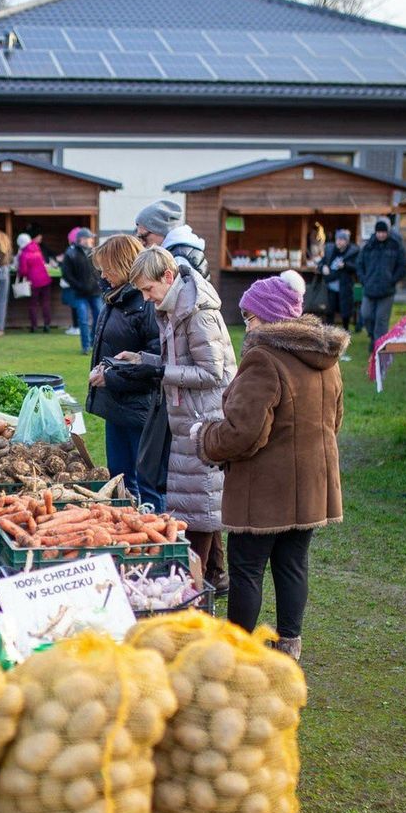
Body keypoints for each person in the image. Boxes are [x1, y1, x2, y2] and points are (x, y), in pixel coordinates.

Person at [190, 274, 345, 661]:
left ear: (271, 316)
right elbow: (335, 421)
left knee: (247, 569)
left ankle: (238, 651)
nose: (247, 324)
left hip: (265, 488)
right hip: (313, 482)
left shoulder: (263, 357)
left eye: (251, 315)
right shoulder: (325, 357)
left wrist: (204, 437)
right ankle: (289, 644)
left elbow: (244, 433)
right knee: (292, 564)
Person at [114, 246, 236, 578]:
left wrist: (158, 373)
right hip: (188, 421)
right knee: (198, 504)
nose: (146, 297)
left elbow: (213, 373)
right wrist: (143, 360)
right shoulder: (173, 308)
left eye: (148, 289)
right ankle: (212, 577)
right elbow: (180, 364)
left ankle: (195, 584)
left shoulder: (198, 313)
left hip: (204, 422)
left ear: (168, 278)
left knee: (199, 508)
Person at [84, 233, 165, 510]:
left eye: (107, 267)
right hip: (116, 406)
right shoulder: (116, 297)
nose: (103, 274)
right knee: (119, 480)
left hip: (139, 409)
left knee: (146, 484)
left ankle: (156, 541)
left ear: (123, 265)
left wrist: (111, 377)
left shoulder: (145, 305)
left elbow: (156, 362)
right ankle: (124, 537)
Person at [359, 219, 406, 353]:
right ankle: (372, 337)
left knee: (381, 318)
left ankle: (378, 344)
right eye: (379, 232)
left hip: (387, 290)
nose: (381, 235)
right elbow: (360, 264)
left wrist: (392, 280)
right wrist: (364, 280)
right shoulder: (368, 246)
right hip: (369, 288)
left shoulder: (395, 246)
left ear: (387, 232)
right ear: (376, 232)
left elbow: (402, 267)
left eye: (383, 232)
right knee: (366, 314)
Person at [135, 197, 211, 279]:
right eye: (139, 237)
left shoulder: (179, 258)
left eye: (143, 236)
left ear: (160, 230)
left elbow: (185, 291)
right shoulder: (177, 251)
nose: (142, 242)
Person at [61, 226, 103, 354]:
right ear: (82, 239)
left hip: (95, 292)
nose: (91, 240)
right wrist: (78, 286)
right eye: (90, 238)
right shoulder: (70, 253)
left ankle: (92, 343)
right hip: (79, 293)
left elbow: (100, 269)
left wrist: (99, 282)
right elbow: (67, 274)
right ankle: (85, 347)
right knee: (83, 321)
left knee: (99, 319)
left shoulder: (95, 252)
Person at [316, 227, 358, 331]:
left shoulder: (353, 252)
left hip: (345, 286)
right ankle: (329, 332)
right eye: (337, 239)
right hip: (331, 286)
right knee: (330, 310)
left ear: (347, 241)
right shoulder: (330, 250)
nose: (339, 241)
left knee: (345, 311)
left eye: (342, 239)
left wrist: (345, 265)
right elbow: (321, 263)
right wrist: (323, 267)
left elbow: (357, 267)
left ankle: (346, 330)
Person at [16, 231, 53, 333]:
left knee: (33, 304)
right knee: (45, 303)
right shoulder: (37, 249)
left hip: (33, 282)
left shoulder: (23, 254)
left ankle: (34, 326)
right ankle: (47, 325)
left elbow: (23, 271)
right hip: (45, 279)